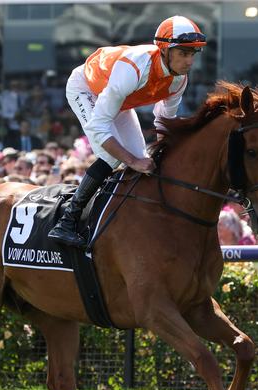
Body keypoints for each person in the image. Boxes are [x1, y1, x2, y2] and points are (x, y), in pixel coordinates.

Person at [48, 15, 207, 247]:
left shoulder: (178, 80)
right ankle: (67, 220)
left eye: (193, 54)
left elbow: (164, 122)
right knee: (113, 155)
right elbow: (99, 127)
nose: (189, 61)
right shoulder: (134, 68)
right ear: (163, 49)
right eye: (183, 53)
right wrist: (131, 160)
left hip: (119, 101)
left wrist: (159, 157)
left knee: (142, 158)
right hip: (86, 89)